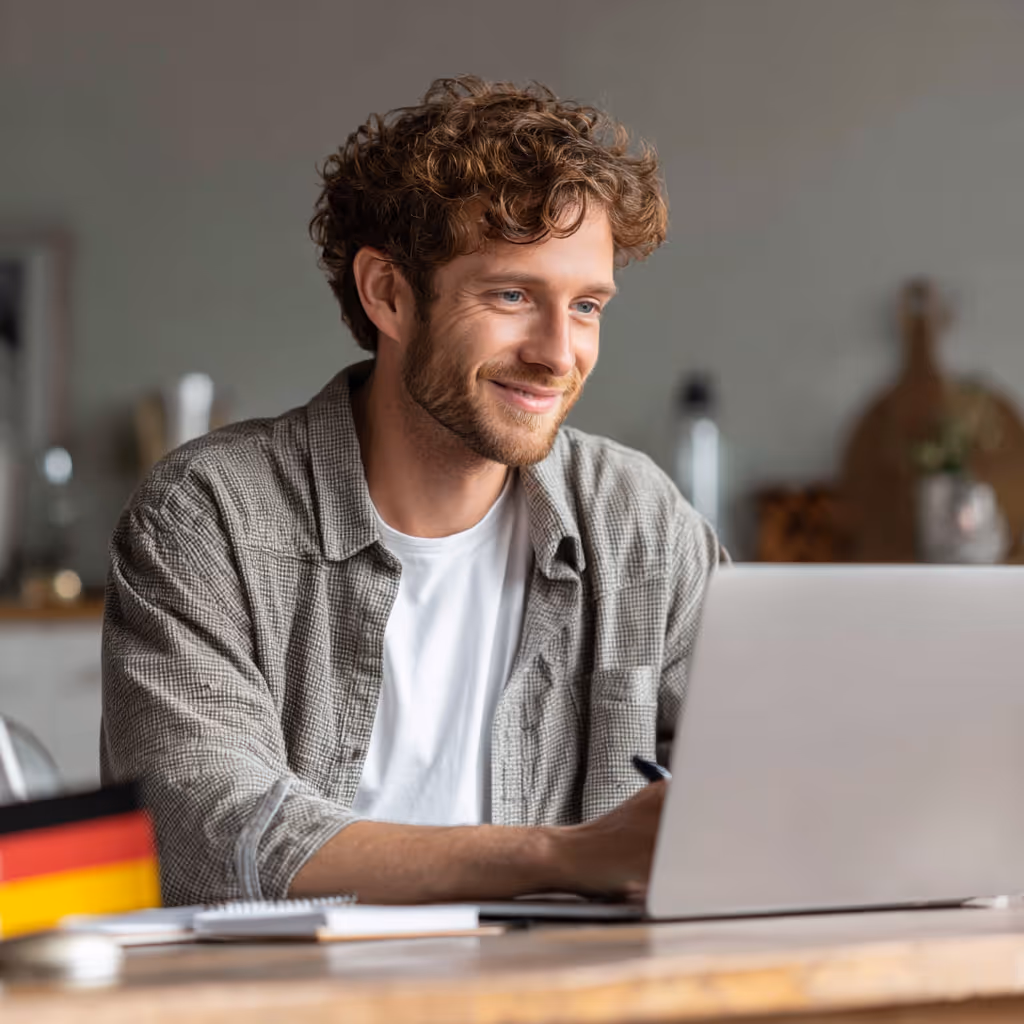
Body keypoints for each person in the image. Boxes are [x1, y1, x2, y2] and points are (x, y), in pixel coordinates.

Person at [101, 76, 724, 906]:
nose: (557, 352)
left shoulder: (637, 521)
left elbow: (777, 770)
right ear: (388, 293)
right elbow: (207, 832)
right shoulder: (209, 516)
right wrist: (563, 854)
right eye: (511, 295)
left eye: (585, 306)